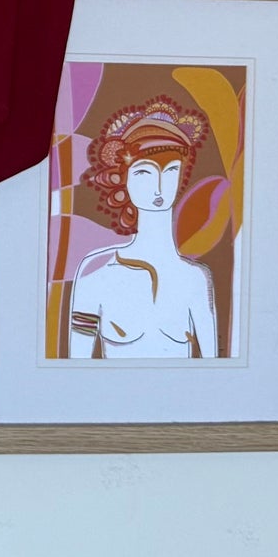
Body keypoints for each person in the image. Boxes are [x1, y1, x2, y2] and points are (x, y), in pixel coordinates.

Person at [66, 98, 220, 361]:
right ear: (122, 179)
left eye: (171, 170)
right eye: (143, 173)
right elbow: (75, 365)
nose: (159, 186)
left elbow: (214, 369)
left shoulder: (196, 278)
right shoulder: (95, 271)